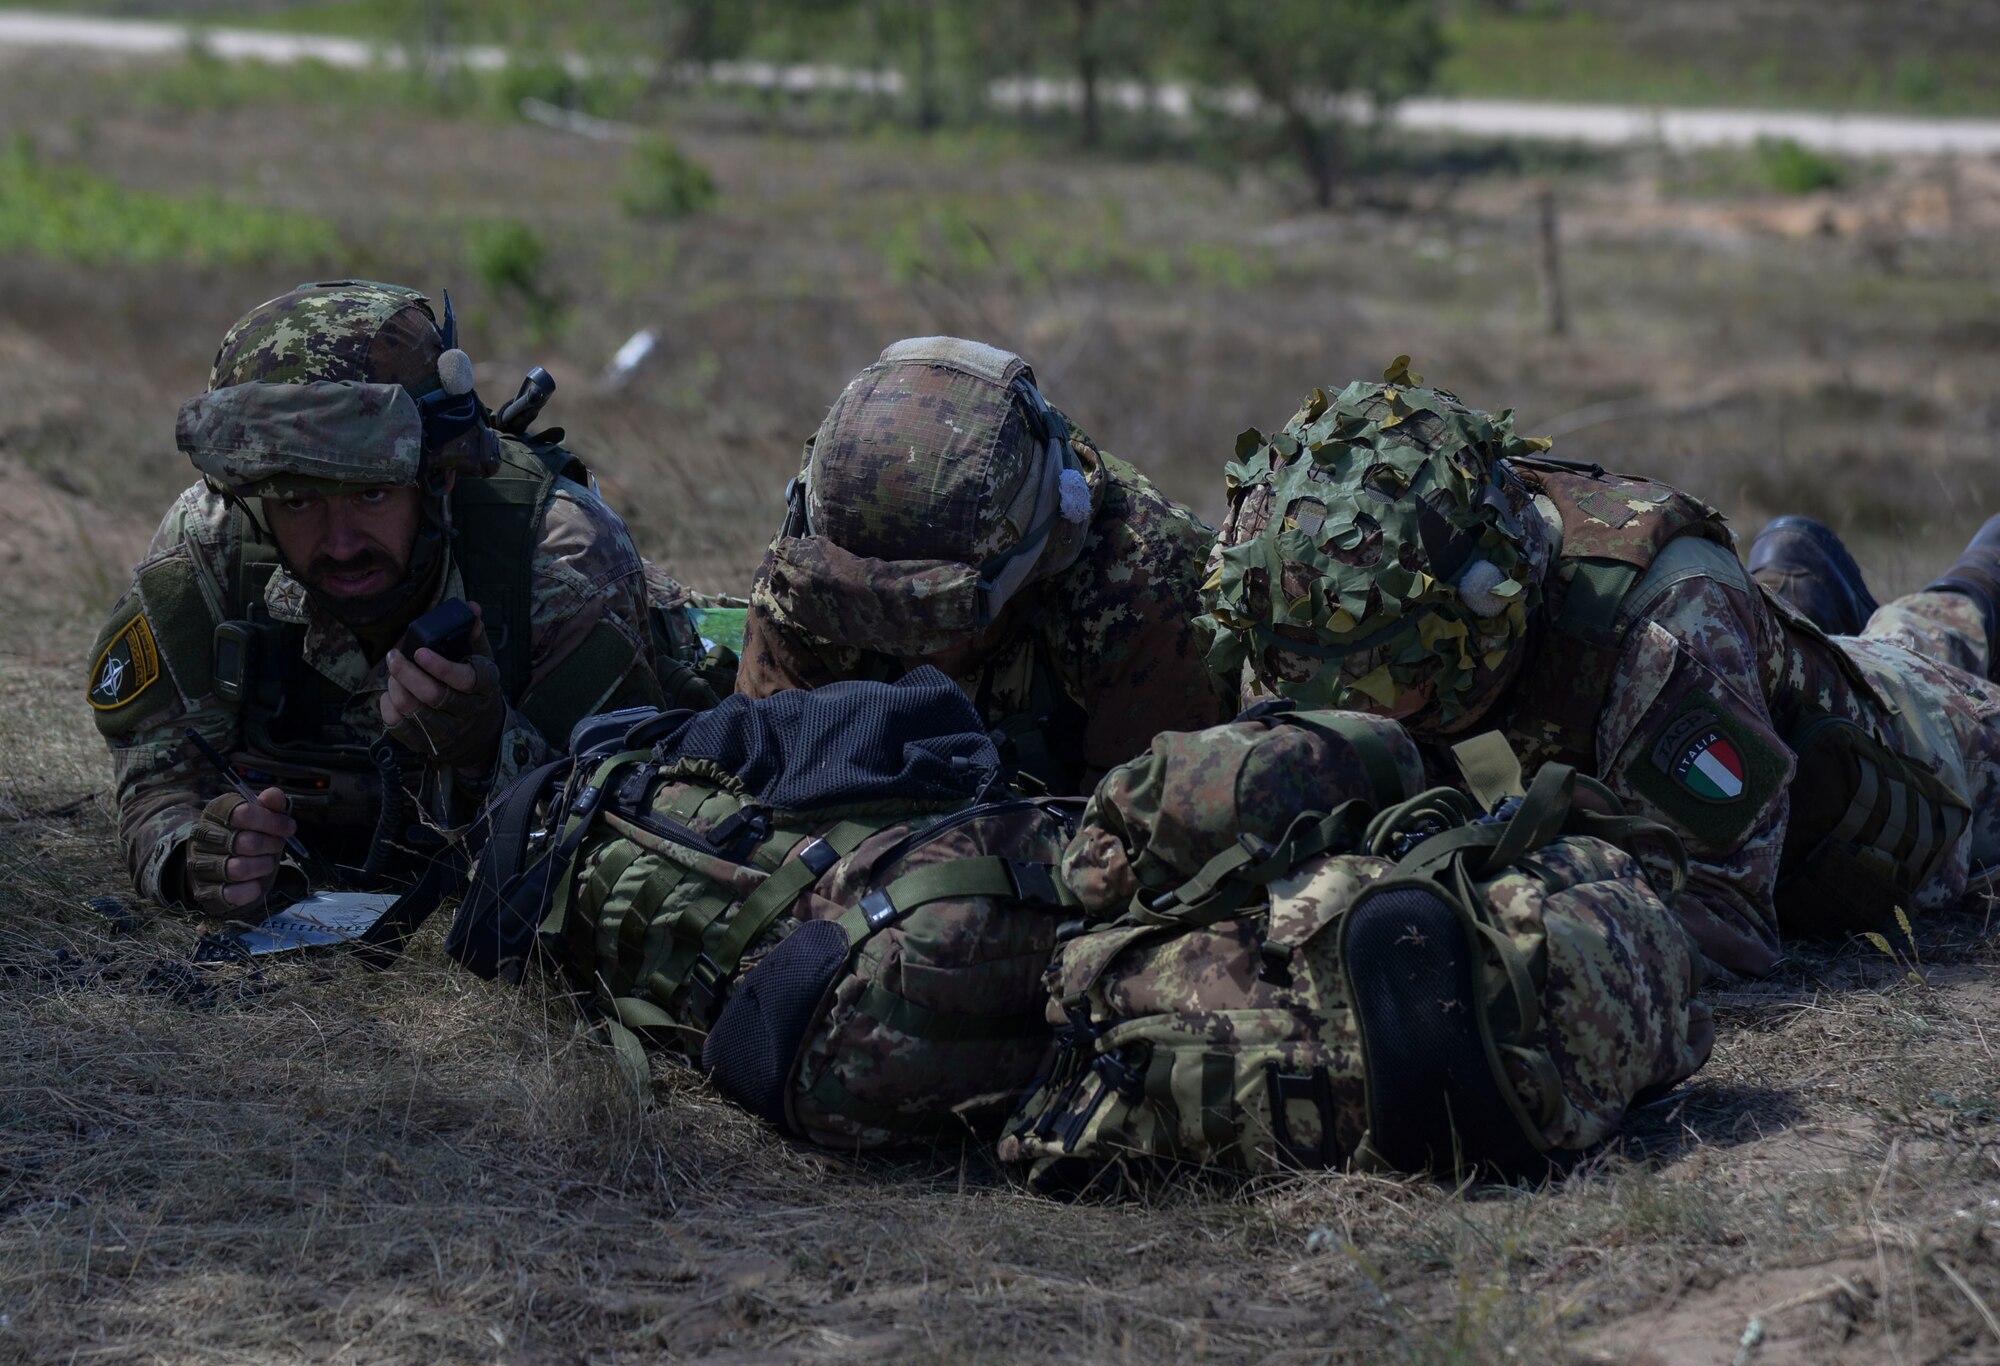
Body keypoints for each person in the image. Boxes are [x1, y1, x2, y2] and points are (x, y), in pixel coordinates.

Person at [1199, 359, 1999, 976]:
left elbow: (1729, 917)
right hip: (1720, 682)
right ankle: (1796, 583)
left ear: (1481, 608)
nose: (1342, 704)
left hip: (1891, 776)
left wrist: (1497, 920)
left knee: (1928, 655)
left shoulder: (1661, 623)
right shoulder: (1313, 609)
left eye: (1377, 671)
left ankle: (1967, 578)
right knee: (1803, 639)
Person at [88, 280, 675, 919]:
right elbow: (159, 784)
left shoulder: (560, 561)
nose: (339, 545)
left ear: (439, 475)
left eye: (370, 496)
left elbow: (626, 825)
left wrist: (487, 752)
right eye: (298, 501)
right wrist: (197, 858)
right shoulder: (208, 547)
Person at [734, 336, 1234, 794]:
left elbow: (1143, 837)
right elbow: (772, 775)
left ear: (1026, 565)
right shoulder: (810, 570)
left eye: (938, 616)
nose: (916, 655)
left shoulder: (1135, 582)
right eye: (873, 618)